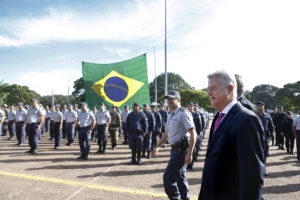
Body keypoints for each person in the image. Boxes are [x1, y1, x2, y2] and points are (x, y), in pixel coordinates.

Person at [199, 71, 265, 200]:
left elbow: (252, 176)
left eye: (213, 88)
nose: (209, 93)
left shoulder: (246, 119)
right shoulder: (219, 116)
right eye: (208, 89)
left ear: (229, 89)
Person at [152, 90, 196, 200]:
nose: (169, 101)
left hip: (181, 151)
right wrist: (158, 146)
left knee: (168, 178)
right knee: (181, 177)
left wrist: (190, 153)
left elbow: (193, 134)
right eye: (168, 99)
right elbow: (166, 133)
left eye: (172, 98)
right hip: (175, 150)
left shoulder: (183, 113)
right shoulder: (170, 114)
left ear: (179, 100)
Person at [256, 101, 274, 176]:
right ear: (256, 107)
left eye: (262, 106)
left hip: (265, 138)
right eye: (260, 106)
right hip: (256, 138)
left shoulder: (267, 116)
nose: (261, 107)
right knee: (256, 154)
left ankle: (263, 170)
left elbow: (271, 126)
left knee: (264, 154)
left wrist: (271, 134)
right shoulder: (253, 116)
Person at [187, 102, 202, 170]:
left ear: (193, 107)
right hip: (187, 134)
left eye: (191, 106)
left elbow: (199, 124)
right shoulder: (185, 114)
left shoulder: (196, 114)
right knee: (187, 149)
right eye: (189, 106)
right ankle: (187, 163)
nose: (190, 107)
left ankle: (192, 163)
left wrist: (198, 133)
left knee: (194, 150)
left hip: (194, 134)